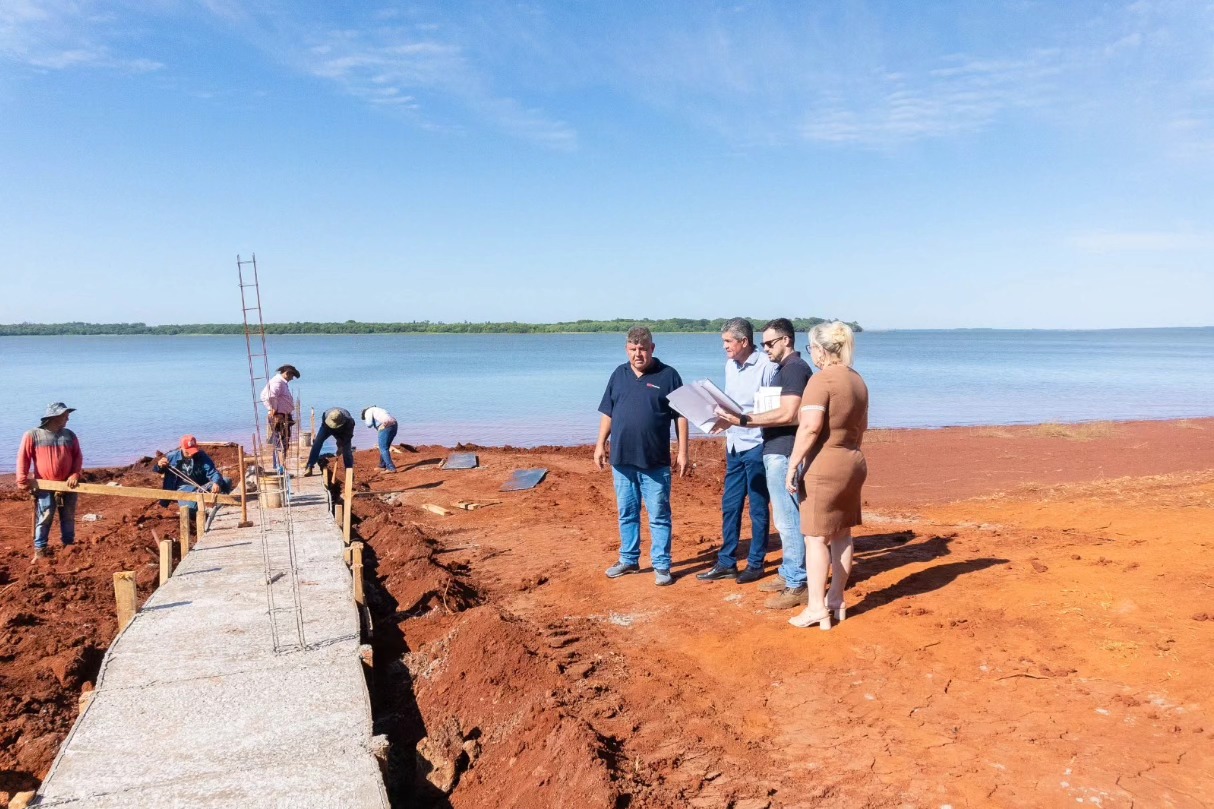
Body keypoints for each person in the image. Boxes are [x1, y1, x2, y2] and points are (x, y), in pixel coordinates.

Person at [713, 318, 814, 609]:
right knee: (745, 507)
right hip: (747, 443)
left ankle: (794, 581)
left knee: (783, 517)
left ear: (786, 341)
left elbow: (785, 414)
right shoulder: (779, 368)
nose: (766, 347)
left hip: (770, 447)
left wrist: (744, 420)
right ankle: (787, 573)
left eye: (770, 342)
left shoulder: (787, 368)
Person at [784, 321, 869, 630]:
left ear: (819, 349)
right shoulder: (857, 380)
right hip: (853, 461)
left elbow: (809, 427)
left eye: (811, 349)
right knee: (842, 533)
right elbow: (862, 426)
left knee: (816, 538)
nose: (812, 355)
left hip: (825, 464)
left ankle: (816, 607)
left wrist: (793, 464)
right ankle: (836, 598)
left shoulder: (821, 381)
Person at [594, 326, 689, 587]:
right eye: (633, 349)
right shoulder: (618, 374)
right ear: (627, 349)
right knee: (627, 512)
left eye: (643, 349)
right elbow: (608, 412)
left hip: (655, 462)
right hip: (622, 460)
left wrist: (683, 451)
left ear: (652, 348)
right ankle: (629, 559)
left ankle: (662, 565)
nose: (638, 354)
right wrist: (600, 444)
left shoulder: (668, 375)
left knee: (659, 515)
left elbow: (681, 415)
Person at [697, 317, 776, 584]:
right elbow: (732, 405)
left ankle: (756, 563)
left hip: (756, 443)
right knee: (730, 506)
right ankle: (726, 562)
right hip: (733, 443)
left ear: (744, 341)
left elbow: (770, 409)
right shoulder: (730, 365)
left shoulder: (766, 366)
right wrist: (721, 420)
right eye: (723, 342)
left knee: (757, 506)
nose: (725, 347)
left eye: (728, 341)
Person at [16, 402, 84, 561]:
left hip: (69, 485)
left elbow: (78, 457)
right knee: (45, 516)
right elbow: (23, 458)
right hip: (44, 485)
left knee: (68, 516)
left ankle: (68, 547)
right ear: (54, 417)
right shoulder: (32, 435)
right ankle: (40, 550)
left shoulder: (69, 435)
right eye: (65, 416)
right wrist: (22, 479)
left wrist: (75, 474)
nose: (67, 419)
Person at [156, 435, 233, 512]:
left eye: (192, 451)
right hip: (184, 490)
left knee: (226, 481)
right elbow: (158, 470)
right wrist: (159, 466)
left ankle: (219, 504)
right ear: (181, 448)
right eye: (187, 452)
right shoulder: (171, 457)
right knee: (190, 510)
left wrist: (216, 482)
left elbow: (212, 472)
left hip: (202, 486)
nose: (190, 454)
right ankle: (204, 508)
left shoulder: (201, 456)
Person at [260, 364, 300, 452]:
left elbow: (266, 396)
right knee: (280, 443)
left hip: (283, 415)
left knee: (284, 441)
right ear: (287, 373)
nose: (292, 378)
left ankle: (282, 463)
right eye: (292, 376)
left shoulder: (281, 382)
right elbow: (269, 396)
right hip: (279, 416)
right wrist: (274, 410)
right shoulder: (277, 382)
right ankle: (279, 464)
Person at [304, 408, 355, 476]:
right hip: (327, 428)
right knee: (317, 442)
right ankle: (309, 466)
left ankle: (349, 472)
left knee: (347, 450)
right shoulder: (325, 416)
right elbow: (328, 429)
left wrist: (340, 446)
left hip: (343, 430)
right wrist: (338, 440)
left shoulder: (349, 422)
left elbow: (348, 437)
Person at [361, 406, 399, 472]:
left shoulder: (368, 412)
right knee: (385, 447)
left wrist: (367, 420)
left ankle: (391, 468)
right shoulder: (378, 410)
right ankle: (382, 465)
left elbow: (369, 424)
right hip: (394, 424)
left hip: (385, 425)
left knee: (383, 448)